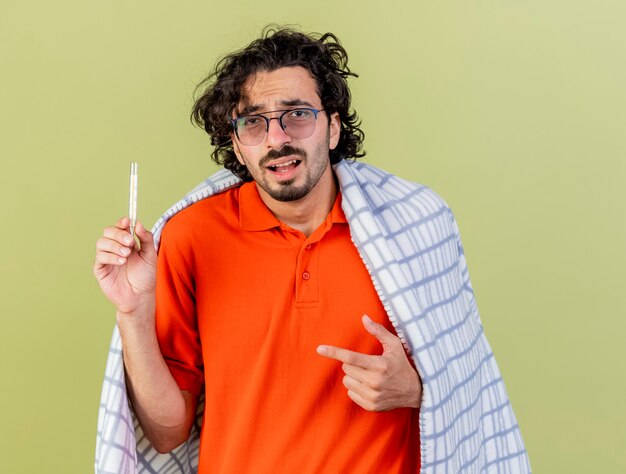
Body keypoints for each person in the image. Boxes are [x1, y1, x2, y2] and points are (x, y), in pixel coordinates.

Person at [94, 27, 530, 474]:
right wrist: (132, 312)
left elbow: (472, 388)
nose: (277, 138)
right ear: (238, 147)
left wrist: (418, 389)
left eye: (297, 114)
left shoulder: (413, 227)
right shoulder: (191, 237)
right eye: (253, 122)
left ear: (334, 127)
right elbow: (167, 433)